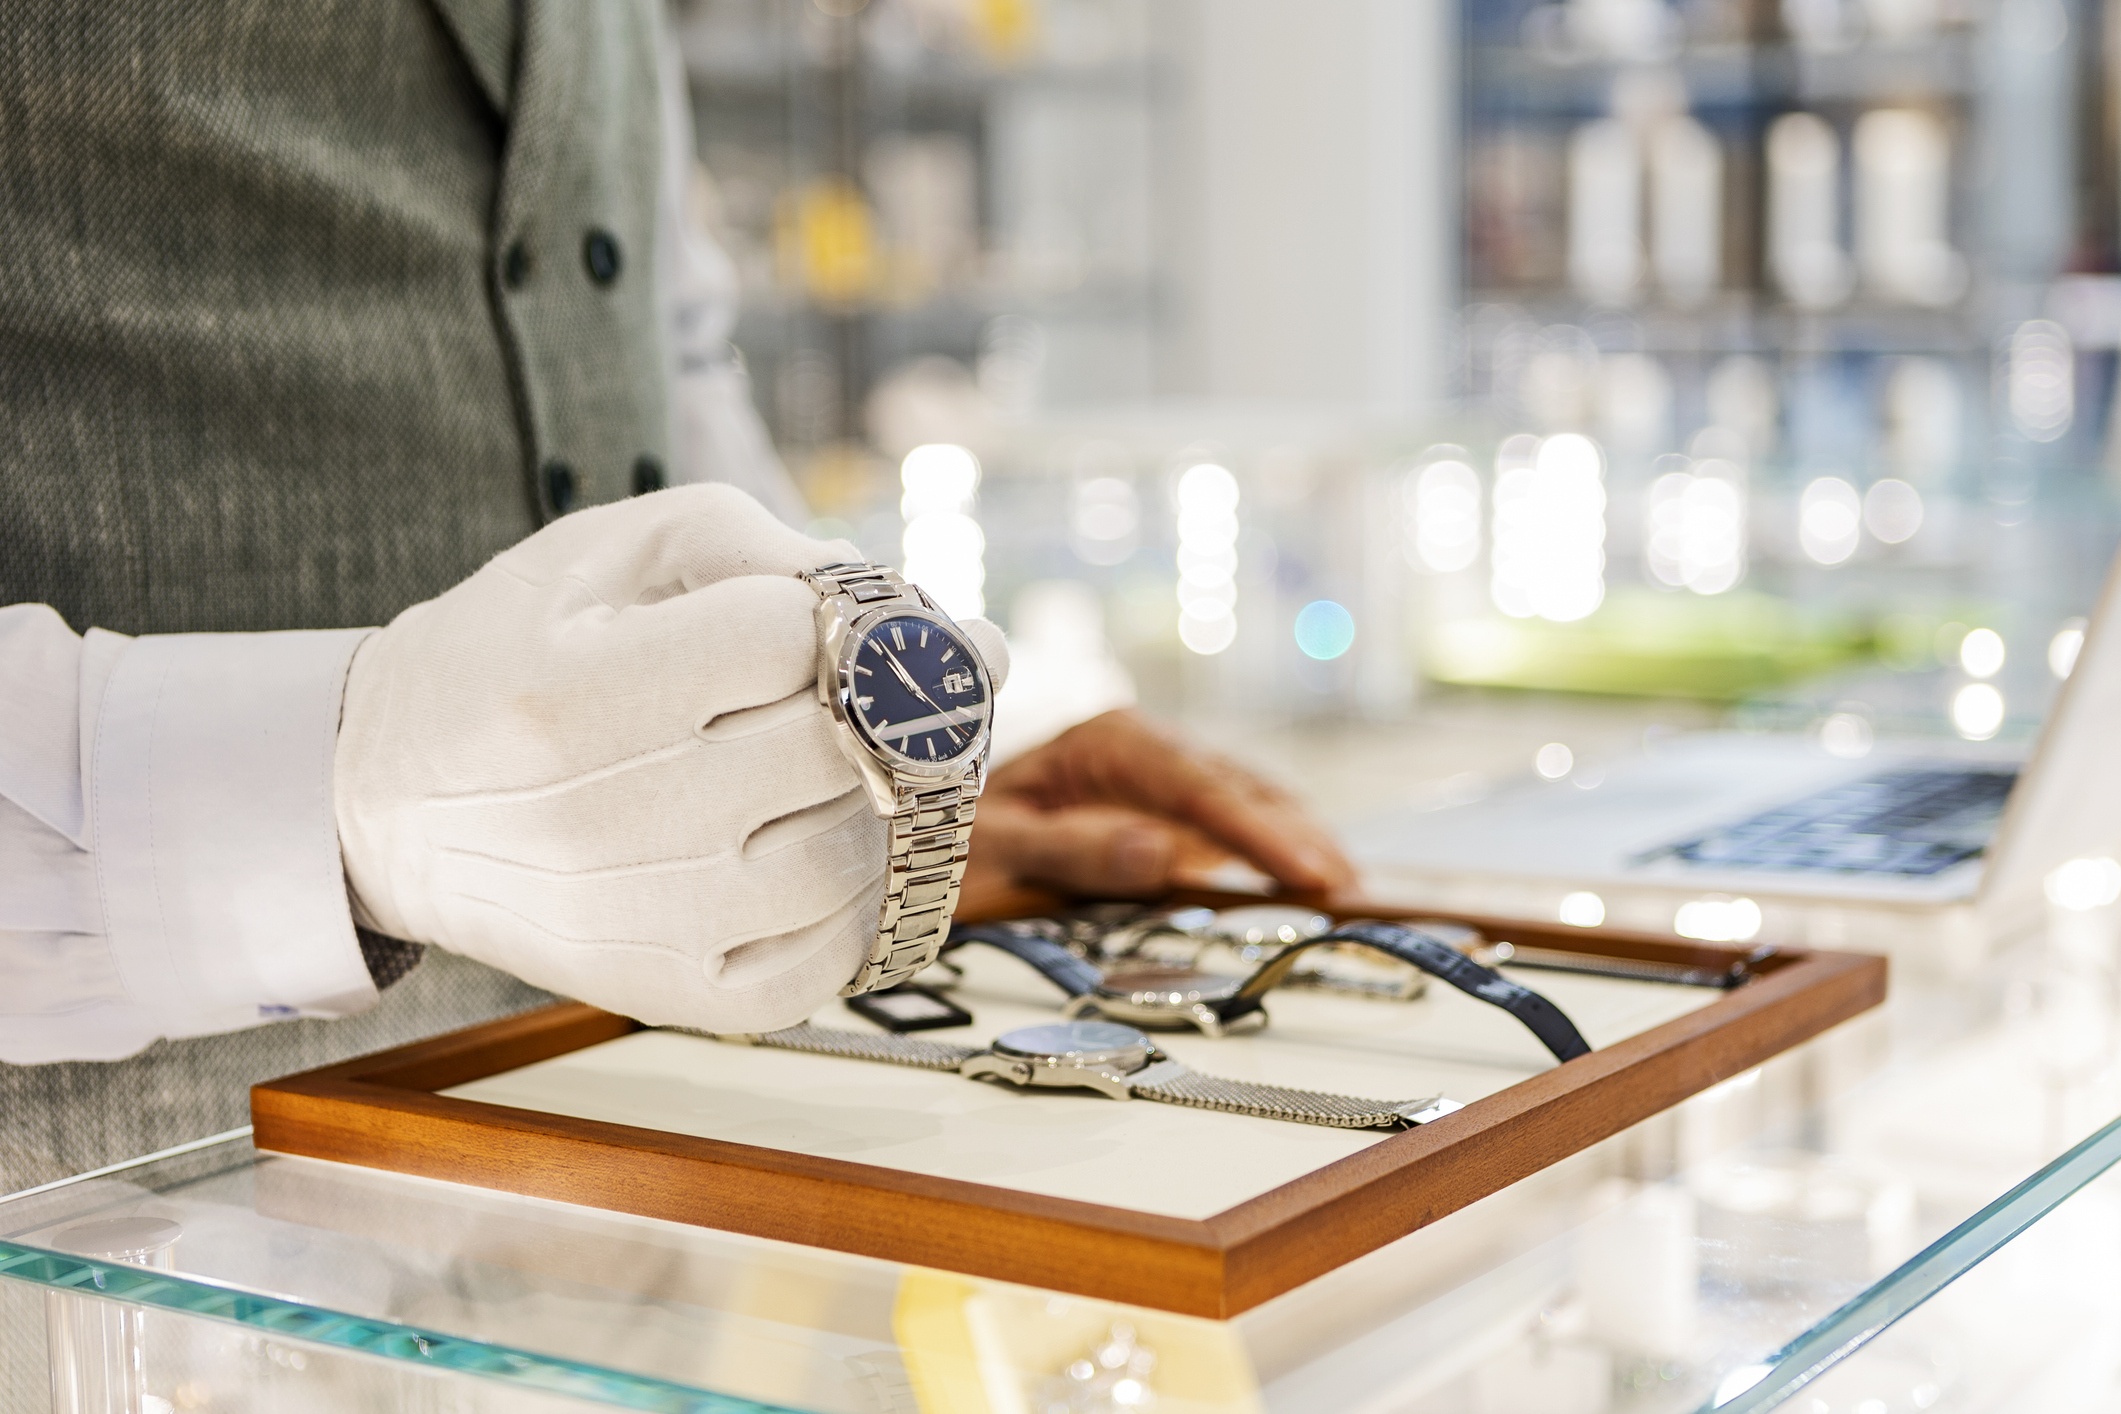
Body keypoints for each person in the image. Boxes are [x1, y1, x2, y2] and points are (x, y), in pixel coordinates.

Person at [0, 0, 1352, 1188]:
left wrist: (840, 770)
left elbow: (650, 318)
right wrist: (346, 796)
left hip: (633, 1152)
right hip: (117, 1214)